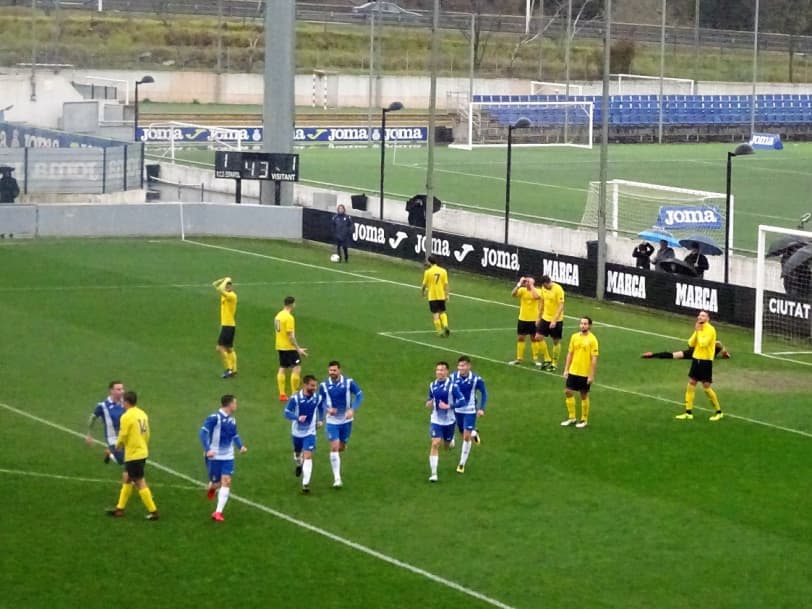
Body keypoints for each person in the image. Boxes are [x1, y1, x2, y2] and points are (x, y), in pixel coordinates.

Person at [106, 391, 159, 520]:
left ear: (126, 402)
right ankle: (120, 509)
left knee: (140, 482)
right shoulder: (142, 414)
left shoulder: (126, 416)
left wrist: (117, 447)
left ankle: (153, 511)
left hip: (133, 454)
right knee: (127, 478)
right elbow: (147, 433)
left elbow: (123, 435)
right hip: (142, 451)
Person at [199, 394, 247, 522]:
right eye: (235, 403)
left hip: (228, 456)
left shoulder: (232, 420)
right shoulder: (214, 418)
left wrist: (240, 446)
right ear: (229, 404)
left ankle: (218, 512)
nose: (236, 406)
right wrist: (207, 449)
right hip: (214, 456)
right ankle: (212, 488)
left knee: (227, 481)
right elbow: (203, 432)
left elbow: (234, 435)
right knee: (216, 483)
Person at [319, 360, 363, 488]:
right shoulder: (324, 385)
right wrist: (327, 410)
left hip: (346, 421)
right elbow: (320, 402)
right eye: (330, 370)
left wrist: (352, 409)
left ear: (339, 370)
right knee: (334, 447)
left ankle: (341, 446)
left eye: (334, 370)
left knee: (341, 447)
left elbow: (360, 395)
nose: (332, 373)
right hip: (332, 422)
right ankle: (337, 478)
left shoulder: (349, 382)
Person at [675, 310, 725, 421]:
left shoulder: (710, 330)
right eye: (699, 315)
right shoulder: (699, 329)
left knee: (706, 387)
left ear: (708, 318)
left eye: (703, 315)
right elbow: (690, 343)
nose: (700, 317)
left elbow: (703, 343)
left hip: (706, 361)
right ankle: (688, 412)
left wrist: (699, 332)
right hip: (696, 359)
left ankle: (719, 412)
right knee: (691, 383)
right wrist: (696, 331)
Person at [284, 375, 324, 493]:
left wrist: (320, 419)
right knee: (298, 452)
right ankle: (298, 463)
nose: (314, 388)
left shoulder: (317, 398)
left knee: (308, 455)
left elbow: (321, 407)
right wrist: (297, 418)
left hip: (310, 432)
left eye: (315, 385)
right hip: (296, 432)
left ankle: (305, 483)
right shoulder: (295, 398)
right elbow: (286, 413)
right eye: (312, 385)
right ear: (305, 385)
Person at [425, 361, 465, 482]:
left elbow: (462, 401)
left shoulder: (453, 386)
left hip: (449, 421)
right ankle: (434, 474)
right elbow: (430, 398)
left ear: (447, 371)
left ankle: (450, 440)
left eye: (442, 370)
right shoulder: (432, 385)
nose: (439, 372)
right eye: (438, 370)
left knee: (446, 446)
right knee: (435, 443)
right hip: (436, 420)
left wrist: (449, 406)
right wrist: (429, 402)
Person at [449, 355, 487, 474]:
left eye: (463, 365)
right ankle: (474, 433)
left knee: (465, 436)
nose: (461, 368)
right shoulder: (452, 377)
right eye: (459, 365)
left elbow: (484, 393)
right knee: (463, 433)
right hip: (457, 410)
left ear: (469, 366)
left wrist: (481, 408)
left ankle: (462, 464)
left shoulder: (476, 379)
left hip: (470, 411)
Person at [561, 317, 599, 429]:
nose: (583, 325)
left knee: (583, 395)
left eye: (585, 324)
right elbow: (570, 354)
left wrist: (591, 375)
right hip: (573, 371)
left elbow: (594, 359)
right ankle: (572, 417)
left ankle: (584, 419)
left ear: (590, 326)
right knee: (568, 392)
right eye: (581, 323)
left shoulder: (593, 340)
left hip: (584, 373)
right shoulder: (574, 337)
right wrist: (566, 369)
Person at [275, 296, 308, 402]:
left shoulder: (278, 315)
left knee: (282, 368)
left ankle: (282, 394)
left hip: (279, 346)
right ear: (292, 304)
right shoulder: (289, 318)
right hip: (289, 347)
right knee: (296, 368)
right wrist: (298, 349)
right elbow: (290, 336)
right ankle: (294, 393)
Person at [86, 380, 126, 465]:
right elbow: (92, 418)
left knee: (132, 459)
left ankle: (110, 452)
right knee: (122, 461)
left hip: (126, 436)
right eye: (118, 389)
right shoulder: (103, 406)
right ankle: (110, 453)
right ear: (111, 391)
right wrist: (89, 434)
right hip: (113, 438)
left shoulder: (126, 403)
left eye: (122, 389)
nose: (122, 391)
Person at [508, 275, 541, 365]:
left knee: (534, 338)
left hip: (533, 319)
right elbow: (513, 294)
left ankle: (535, 359)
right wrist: (519, 284)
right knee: (521, 338)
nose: (527, 284)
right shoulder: (522, 290)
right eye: (526, 282)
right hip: (523, 318)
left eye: (529, 282)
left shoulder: (538, 291)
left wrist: (532, 286)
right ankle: (519, 358)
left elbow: (536, 297)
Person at [536, 275, 566, 371]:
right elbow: (542, 302)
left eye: (544, 285)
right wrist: (539, 317)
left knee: (556, 341)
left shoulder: (558, 289)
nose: (544, 287)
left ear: (548, 283)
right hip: (545, 317)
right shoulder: (543, 288)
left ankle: (554, 363)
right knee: (538, 337)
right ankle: (547, 358)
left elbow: (561, 306)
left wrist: (554, 320)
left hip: (556, 320)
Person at [212, 276, 238, 378]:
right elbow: (214, 284)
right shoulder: (225, 295)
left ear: (232, 287)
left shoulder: (232, 296)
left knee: (219, 348)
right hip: (228, 325)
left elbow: (218, 288)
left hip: (228, 326)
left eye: (229, 285)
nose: (227, 287)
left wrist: (226, 280)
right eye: (226, 286)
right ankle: (234, 370)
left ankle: (229, 369)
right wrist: (223, 279)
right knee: (229, 349)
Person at [421, 255, 450, 337]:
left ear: (429, 262)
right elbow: (446, 285)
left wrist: (422, 293)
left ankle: (439, 331)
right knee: (442, 312)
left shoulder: (428, 272)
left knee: (435, 314)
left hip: (432, 296)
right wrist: (447, 295)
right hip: (441, 295)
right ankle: (445, 325)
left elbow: (424, 285)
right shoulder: (443, 271)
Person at [642, 341, 730, 360]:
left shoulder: (715, 346)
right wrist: (725, 353)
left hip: (695, 354)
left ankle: (653, 355)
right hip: (696, 354)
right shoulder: (715, 348)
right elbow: (720, 344)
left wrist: (725, 353)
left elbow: (720, 344)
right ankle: (652, 355)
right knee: (673, 355)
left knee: (673, 355)